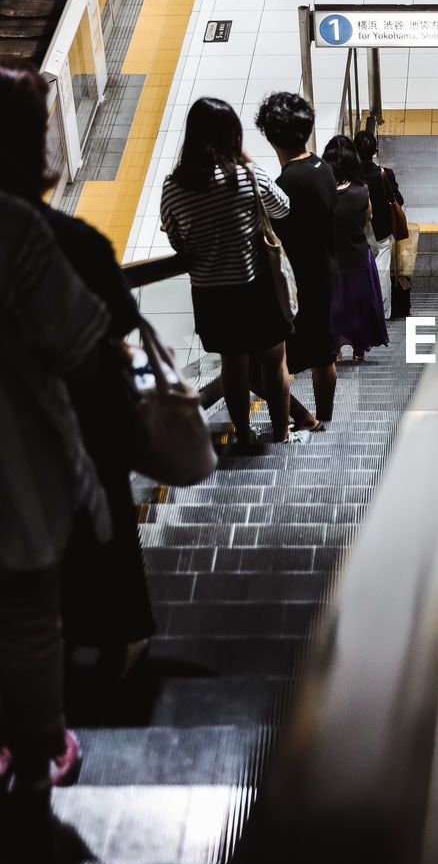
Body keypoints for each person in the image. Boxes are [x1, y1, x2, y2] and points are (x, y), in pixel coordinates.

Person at [0, 60, 155, 680]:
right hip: (74, 424)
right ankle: (114, 644)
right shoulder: (69, 241)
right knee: (103, 523)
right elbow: (114, 325)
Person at [0, 191, 112, 794]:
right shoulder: (19, 228)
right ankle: (40, 746)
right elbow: (84, 348)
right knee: (32, 614)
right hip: (18, 470)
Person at [160, 97, 296, 449]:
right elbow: (283, 208)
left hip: (211, 294)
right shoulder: (246, 177)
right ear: (232, 136)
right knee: (273, 362)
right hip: (256, 289)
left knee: (233, 368)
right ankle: (281, 433)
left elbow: (177, 240)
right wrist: (248, 161)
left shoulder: (173, 187)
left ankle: (244, 435)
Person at [256, 91, 337, 431]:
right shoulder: (321, 167)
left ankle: (304, 418)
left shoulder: (286, 183)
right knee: (323, 354)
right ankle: (326, 421)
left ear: (271, 137)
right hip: (326, 274)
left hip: (297, 286)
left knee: (261, 367)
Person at [322, 136, 389, 362]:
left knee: (334, 305)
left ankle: (335, 349)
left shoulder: (323, 191)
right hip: (358, 255)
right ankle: (359, 350)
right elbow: (368, 217)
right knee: (359, 304)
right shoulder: (361, 190)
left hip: (331, 258)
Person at [354, 128, 403, 321]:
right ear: (374, 151)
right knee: (382, 270)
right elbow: (399, 199)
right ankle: (383, 312)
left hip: (357, 230)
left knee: (359, 270)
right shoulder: (385, 174)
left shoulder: (349, 176)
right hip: (382, 230)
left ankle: (361, 310)